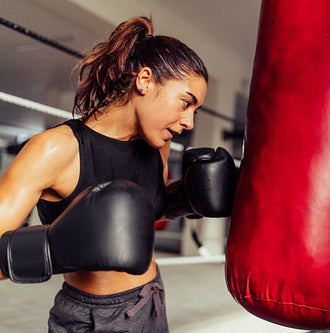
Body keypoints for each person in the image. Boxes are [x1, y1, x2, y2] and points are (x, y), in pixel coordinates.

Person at [0, 16, 235, 332]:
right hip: (94, 318)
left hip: (151, 299)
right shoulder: (56, 149)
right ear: (145, 80)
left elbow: (135, 218)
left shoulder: (157, 145)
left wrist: (186, 199)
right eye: (185, 103)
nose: (189, 122)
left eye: (195, 111)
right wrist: (57, 249)